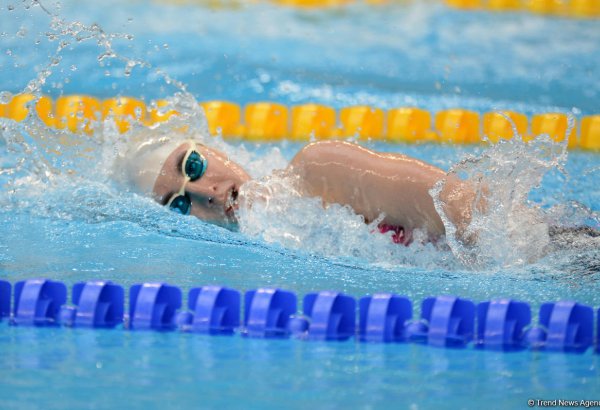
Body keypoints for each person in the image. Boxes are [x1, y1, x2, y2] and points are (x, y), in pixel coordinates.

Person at [118, 137, 480, 244]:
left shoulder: (321, 169)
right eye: (179, 205)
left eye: (192, 166)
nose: (207, 195)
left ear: (209, 147)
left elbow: (475, 216)